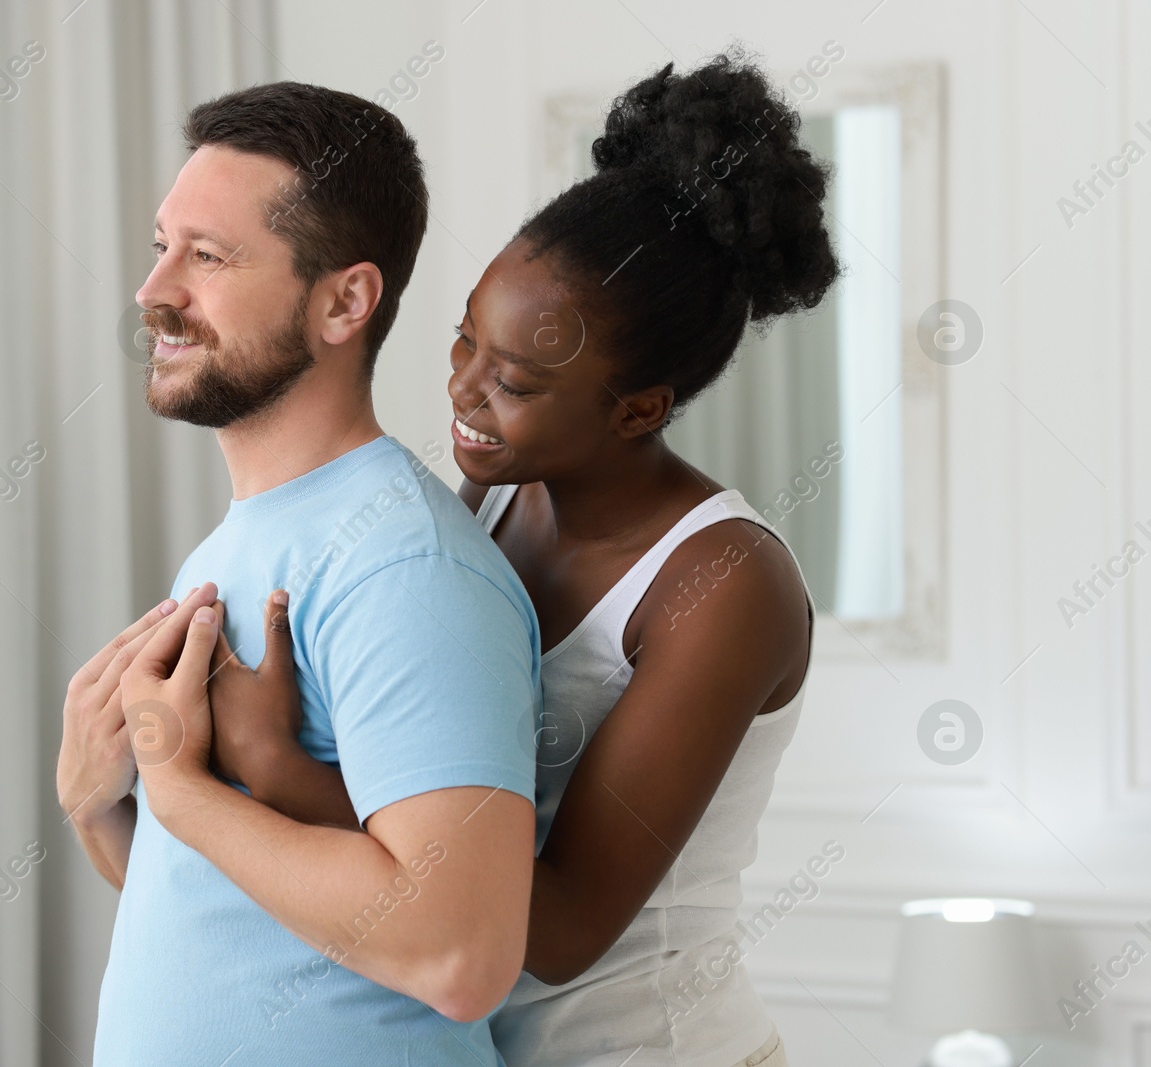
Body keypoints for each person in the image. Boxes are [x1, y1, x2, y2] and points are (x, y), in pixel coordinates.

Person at [192, 54, 838, 1067]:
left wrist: (277, 769)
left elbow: (570, 921)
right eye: (463, 344)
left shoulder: (723, 584)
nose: (464, 394)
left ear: (637, 409)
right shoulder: (495, 493)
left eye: (520, 381)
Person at [55, 82, 543, 1065]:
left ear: (344, 301)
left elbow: (458, 952)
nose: (154, 293)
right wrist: (95, 802)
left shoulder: (404, 566)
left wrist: (182, 790)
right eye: (162, 245)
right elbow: (226, 915)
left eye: (208, 256)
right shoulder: (236, 546)